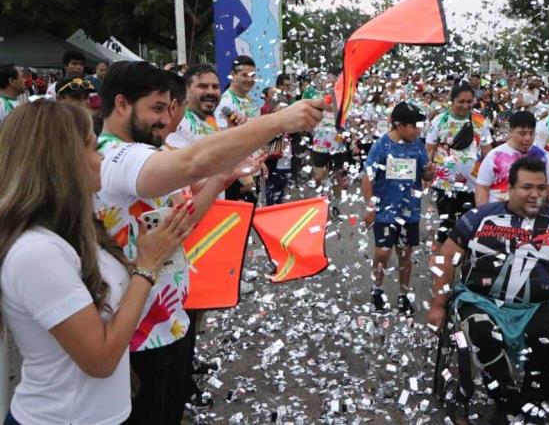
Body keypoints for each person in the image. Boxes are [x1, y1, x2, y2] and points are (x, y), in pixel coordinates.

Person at [94, 61, 324, 424]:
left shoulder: (148, 155)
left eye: (169, 108)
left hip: (167, 322)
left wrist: (221, 178)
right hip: (134, 334)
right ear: (121, 105)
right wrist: (278, 121)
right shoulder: (115, 156)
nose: (165, 121)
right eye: (156, 108)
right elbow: (192, 163)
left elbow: (186, 221)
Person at [0, 100, 193, 425]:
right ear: (62, 163)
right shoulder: (35, 252)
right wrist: (147, 267)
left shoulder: (75, 230)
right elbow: (101, 359)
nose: (101, 156)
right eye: (92, 147)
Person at [427, 157, 549, 424]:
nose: (536, 194)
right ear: (509, 189)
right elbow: (446, 257)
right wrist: (438, 305)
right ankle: (507, 401)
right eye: (527, 187)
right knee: (479, 331)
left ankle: (534, 399)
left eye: (542, 188)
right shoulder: (480, 217)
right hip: (481, 300)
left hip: (538, 305)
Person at [362, 102, 435, 314]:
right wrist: (370, 207)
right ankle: (377, 290)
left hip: (409, 212)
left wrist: (430, 172)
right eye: (413, 126)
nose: (417, 131)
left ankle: (404, 295)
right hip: (385, 211)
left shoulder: (417, 146)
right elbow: (368, 178)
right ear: (398, 125)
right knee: (382, 253)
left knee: (405, 255)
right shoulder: (381, 146)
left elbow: (424, 175)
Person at [425, 80, 492, 246]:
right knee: (447, 228)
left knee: (469, 229)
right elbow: (429, 151)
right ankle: (443, 266)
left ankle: (463, 266)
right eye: (461, 101)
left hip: (473, 185)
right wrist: (426, 175)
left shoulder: (480, 121)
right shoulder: (440, 121)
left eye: (469, 102)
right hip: (445, 185)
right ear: (452, 100)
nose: (465, 105)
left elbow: (487, 152)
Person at [475, 110, 549, 205]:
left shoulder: (543, 157)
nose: (527, 138)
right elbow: (482, 188)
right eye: (522, 133)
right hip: (499, 213)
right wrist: (483, 214)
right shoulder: (494, 156)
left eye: (531, 133)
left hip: (533, 212)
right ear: (511, 131)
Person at [310, 74, 348, 218]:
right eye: (327, 82)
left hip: (337, 145)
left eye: (333, 82)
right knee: (319, 176)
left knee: (336, 177)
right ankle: (320, 205)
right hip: (319, 145)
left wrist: (334, 96)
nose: (329, 84)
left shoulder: (343, 99)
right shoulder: (317, 99)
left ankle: (335, 207)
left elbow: (340, 117)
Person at [215, 55, 259, 128]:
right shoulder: (225, 103)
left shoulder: (247, 98)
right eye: (244, 75)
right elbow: (223, 136)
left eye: (253, 75)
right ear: (233, 75)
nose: (249, 79)